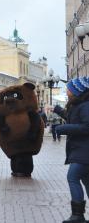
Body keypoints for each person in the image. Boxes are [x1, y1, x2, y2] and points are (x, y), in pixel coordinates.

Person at [53, 77, 89, 223]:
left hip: (84, 151)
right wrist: (58, 110)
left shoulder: (85, 105)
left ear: (76, 91)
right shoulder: (79, 105)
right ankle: (78, 215)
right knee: (86, 180)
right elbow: (74, 119)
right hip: (81, 150)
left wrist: (63, 128)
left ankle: (78, 215)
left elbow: (87, 127)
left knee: (73, 177)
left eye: (69, 88)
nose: (66, 90)